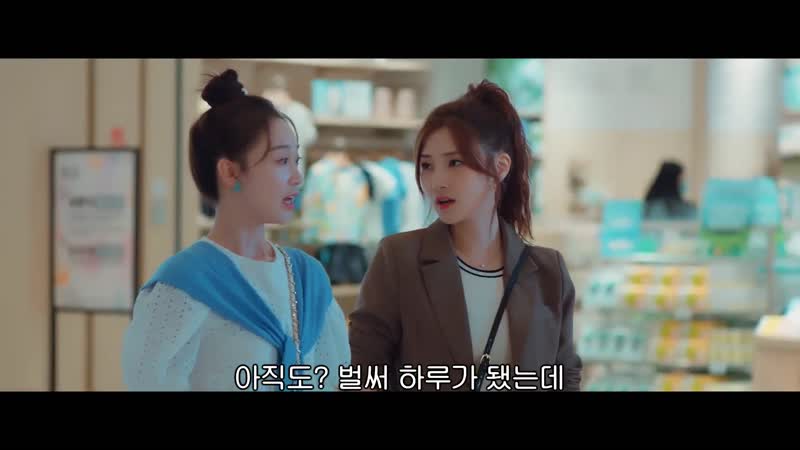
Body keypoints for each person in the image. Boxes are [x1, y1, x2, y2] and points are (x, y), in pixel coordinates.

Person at [121, 69, 350, 391]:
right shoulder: (182, 287)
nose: (297, 177)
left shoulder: (308, 278)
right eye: (281, 161)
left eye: (296, 160)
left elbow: (335, 378)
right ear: (230, 171)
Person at [348, 80, 582, 391]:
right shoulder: (399, 258)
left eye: (454, 163)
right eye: (427, 166)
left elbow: (564, 376)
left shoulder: (549, 272)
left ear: (500, 167)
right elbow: (362, 371)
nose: (437, 181)